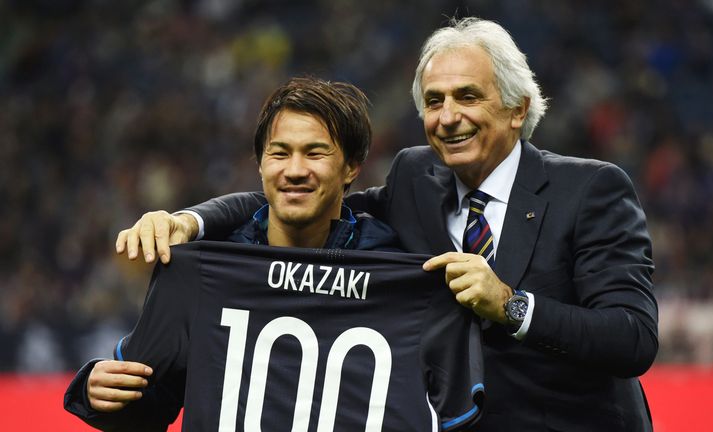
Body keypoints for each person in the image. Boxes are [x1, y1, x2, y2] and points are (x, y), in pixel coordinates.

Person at [119, 18, 658, 431]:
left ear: (517, 109)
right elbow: (308, 196)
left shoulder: (591, 189)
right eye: (434, 101)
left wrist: (512, 306)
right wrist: (190, 220)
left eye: (468, 97)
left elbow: (632, 338)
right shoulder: (415, 177)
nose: (448, 116)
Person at [65, 77, 484, 430]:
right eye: (280, 153)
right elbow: (143, 408)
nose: (295, 169)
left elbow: (459, 420)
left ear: (352, 168)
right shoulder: (200, 272)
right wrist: (90, 389)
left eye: (315, 153)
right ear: (261, 165)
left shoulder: (405, 273)